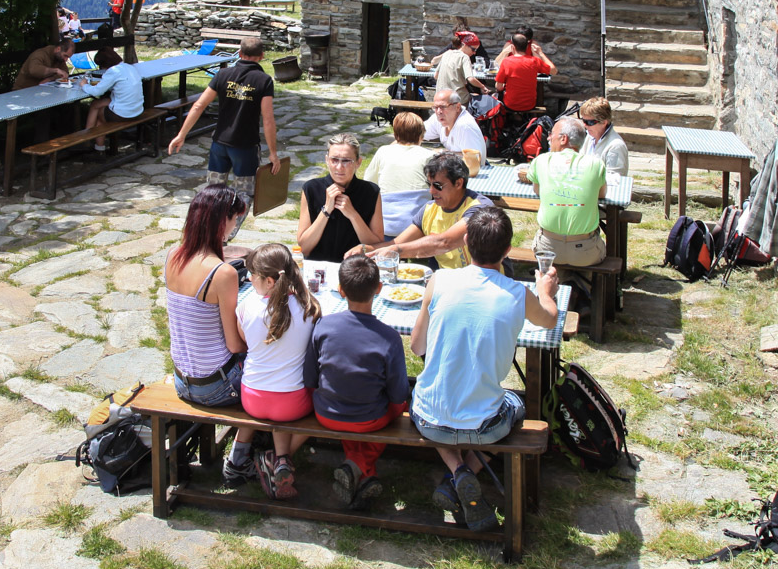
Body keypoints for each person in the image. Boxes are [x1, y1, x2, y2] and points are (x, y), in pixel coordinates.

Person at [409, 206, 558, 531]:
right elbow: (549, 319)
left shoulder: (440, 279)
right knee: (516, 404)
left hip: (429, 420)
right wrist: (546, 292)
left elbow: (417, 348)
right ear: (507, 251)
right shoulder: (518, 293)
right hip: (487, 427)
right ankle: (464, 474)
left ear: (465, 243)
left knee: (425, 396)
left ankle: (457, 472)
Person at [164, 185, 258, 485]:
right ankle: (240, 458)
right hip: (216, 386)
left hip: (183, 379)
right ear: (221, 221)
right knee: (275, 371)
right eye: (234, 220)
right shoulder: (222, 274)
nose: (235, 227)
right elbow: (233, 344)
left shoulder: (172, 256)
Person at [302, 255, 410, 510]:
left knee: (353, 402)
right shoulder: (389, 337)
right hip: (369, 418)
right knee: (393, 407)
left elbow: (310, 378)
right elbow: (398, 395)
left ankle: (360, 471)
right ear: (379, 289)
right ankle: (360, 467)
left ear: (340, 291)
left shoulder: (324, 326)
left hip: (326, 412)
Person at [237, 243, 322, 500]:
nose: (249, 278)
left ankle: (279, 459)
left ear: (271, 281)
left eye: (254, 275)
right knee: (321, 404)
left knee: (279, 389)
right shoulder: (310, 308)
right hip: (293, 404)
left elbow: (243, 344)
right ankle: (280, 458)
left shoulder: (245, 307)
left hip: (251, 397)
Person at [168, 37, 281, 225]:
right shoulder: (264, 80)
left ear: (239, 53)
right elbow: (268, 119)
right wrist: (273, 153)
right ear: (261, 56)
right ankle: (227, 234)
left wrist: (181, 134)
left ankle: (208, 227)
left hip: (219, 144)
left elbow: (198, 106)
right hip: (245, 147)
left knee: (213, 191)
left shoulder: (222, 75)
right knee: (244, 194)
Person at [361, 151, 494, 270]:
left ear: (458, 183)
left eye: (437, 185)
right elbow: (396, 243)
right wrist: (365, 250)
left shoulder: (480, 209)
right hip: (450, 283)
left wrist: (396, 250)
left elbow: (445, 243)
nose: (431, 191)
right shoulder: (429, 210)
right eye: (429, 184)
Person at [519, 117, 608, 272]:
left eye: (552, 133)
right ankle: (584, 285)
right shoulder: (595, 164)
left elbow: (537, 190)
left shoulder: (541, 161)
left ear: (563, 139)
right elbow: (601, 193)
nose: (548, 137)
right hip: (586, 252)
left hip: (547, 250)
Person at [298, 133, 384, 262]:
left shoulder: (371, 192)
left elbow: (376, 246)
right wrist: (326, 210)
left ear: (358, 162)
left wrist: (353, 215)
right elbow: (304, 248)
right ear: (327, 160)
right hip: (319, 268)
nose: (339, 167)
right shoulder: (311, 189)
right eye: (334, 160)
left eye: (346, 161)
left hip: (355, 268)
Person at [80, 48, 144, 151]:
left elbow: (97, 91)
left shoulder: (113, 71)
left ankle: (88, 140)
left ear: (105, 64)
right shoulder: (130, 67)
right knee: (97, 104)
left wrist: (84, 85)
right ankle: (92, 142)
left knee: (100, 118)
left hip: (124, 114)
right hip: (137, 110)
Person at [365, 112, 433, 192]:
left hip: (386, 203)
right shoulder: (429, 155)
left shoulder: (383, 152)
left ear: (395, 135)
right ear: (421, 136)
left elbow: (369, 181)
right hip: (420, 203)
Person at [495, 33, 556, 113]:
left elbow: (499, 87)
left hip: (510, 104)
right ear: (527, 47)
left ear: (513, 47)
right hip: (529, 104)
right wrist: (540, 53)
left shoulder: (507, 61)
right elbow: (554, 71)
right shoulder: (534, 61)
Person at [423, 89, 487, 164]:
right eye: (436, 107)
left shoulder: (465, 126)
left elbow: (474, 160)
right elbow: (417, 131)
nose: (439, 112)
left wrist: (444, 154)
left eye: (443, 107)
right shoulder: (438, 119)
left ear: (457, 107)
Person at [432, 32, 490, 104]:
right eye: (473, 49)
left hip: (440, 97)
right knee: (480, 99)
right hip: (457, 98)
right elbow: (470, 79)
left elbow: (436, 76)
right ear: (465, 45)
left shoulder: (447, 54)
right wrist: (482, 87)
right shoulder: (464, 57)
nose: (474, 53)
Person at [578, 97, 630, 176]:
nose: (585, 125)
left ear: (604, 122)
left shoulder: (615, 146)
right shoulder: (589, 137)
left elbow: (614, 179)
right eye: (584, 121)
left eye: (589, 122)